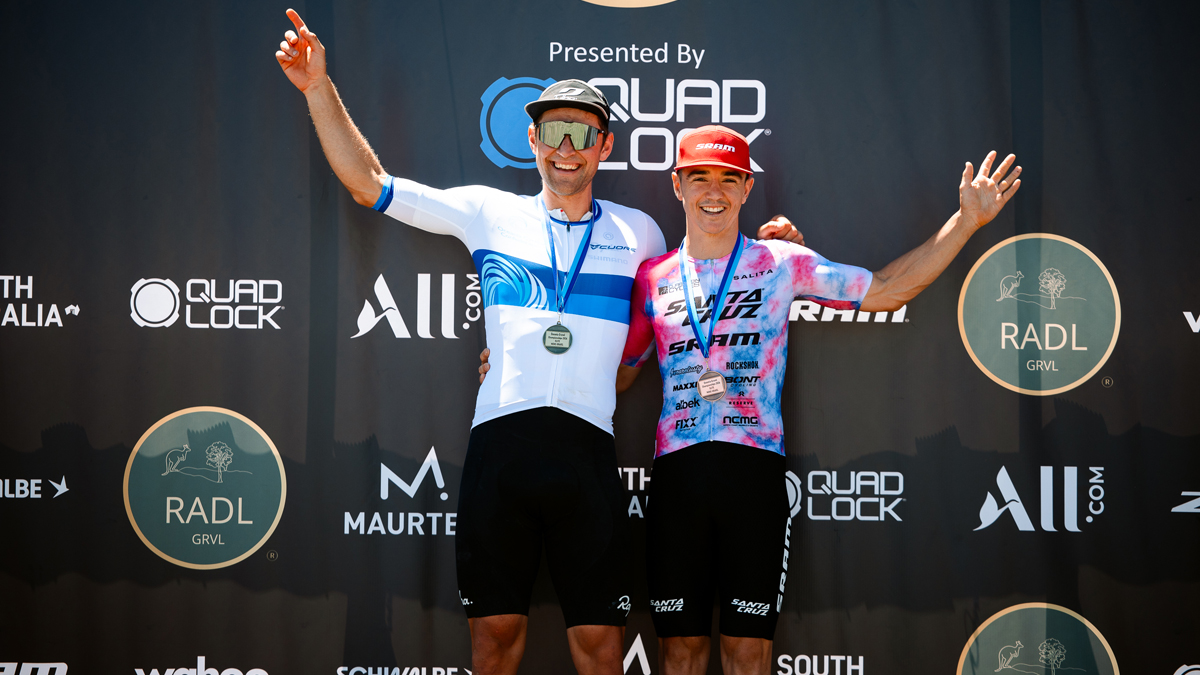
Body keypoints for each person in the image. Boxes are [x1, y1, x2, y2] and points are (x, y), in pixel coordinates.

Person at [274, 12, 796, 675]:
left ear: (604, 145)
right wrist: (317, 86)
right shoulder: (489, 213)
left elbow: (702, 281)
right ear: (532, 139)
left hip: (589, 453)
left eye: (582, 133)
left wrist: (775, 249)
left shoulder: (640, 233)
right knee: (493, 645)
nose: (566, 147)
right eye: (553, 131)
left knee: (602, 651)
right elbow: (368, 183)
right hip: (502, 451)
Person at [615, 125, 1020, 675]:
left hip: (753, 476)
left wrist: (966, 221)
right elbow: (622, 375)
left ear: (747, 188)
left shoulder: (781, 262)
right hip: (677, 478)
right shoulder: (652, 277)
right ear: (677, 185)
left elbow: (887, 290)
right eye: (699, 177)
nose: (714, 192)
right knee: (679, 653)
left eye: (729, 179)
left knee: (747, 653)